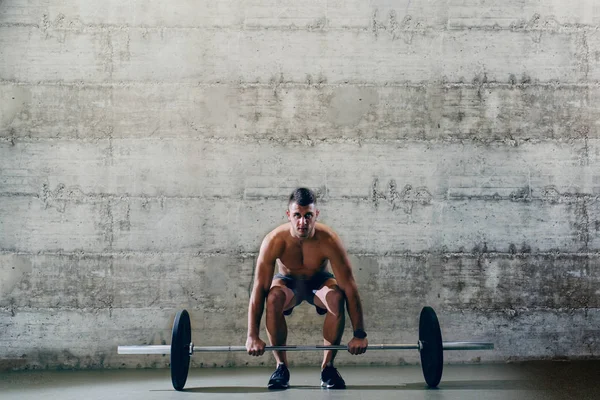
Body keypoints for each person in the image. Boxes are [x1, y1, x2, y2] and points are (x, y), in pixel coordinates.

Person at [245, 187, 368, 389]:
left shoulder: (329, 240)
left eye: (308, 216)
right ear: (289, 215)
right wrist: (252, 336)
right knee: (273, 298)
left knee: (337, 297)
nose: (303, 222)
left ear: (316, 214)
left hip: (318, 282)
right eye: (297, 216)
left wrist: (359, 334)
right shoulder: (274, 241)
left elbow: (349, 287)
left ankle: (327, 367)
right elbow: (259, 288)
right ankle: (281, 367)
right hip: (288, 282)